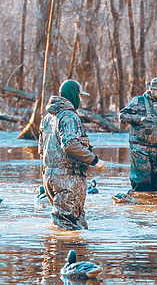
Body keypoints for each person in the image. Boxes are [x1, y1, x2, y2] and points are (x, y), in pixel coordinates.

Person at [38, 80, 106, 230]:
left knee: (73, 224)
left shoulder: (46, 119)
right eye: (80, 96)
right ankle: (61, 252)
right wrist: (94, 160)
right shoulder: (69, 117)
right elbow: (70, 145)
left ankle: (66, 251)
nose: (81, 100)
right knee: (67, 227)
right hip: (68, 180)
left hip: (50, 177)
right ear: (73, 95)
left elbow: (41, 151)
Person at [119, 77, 157, 192]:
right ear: (151, 89)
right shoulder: (138, 101)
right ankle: (140, 206)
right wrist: (139, 119)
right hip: (140, 148)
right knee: (142, 183)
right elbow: (122, 116)